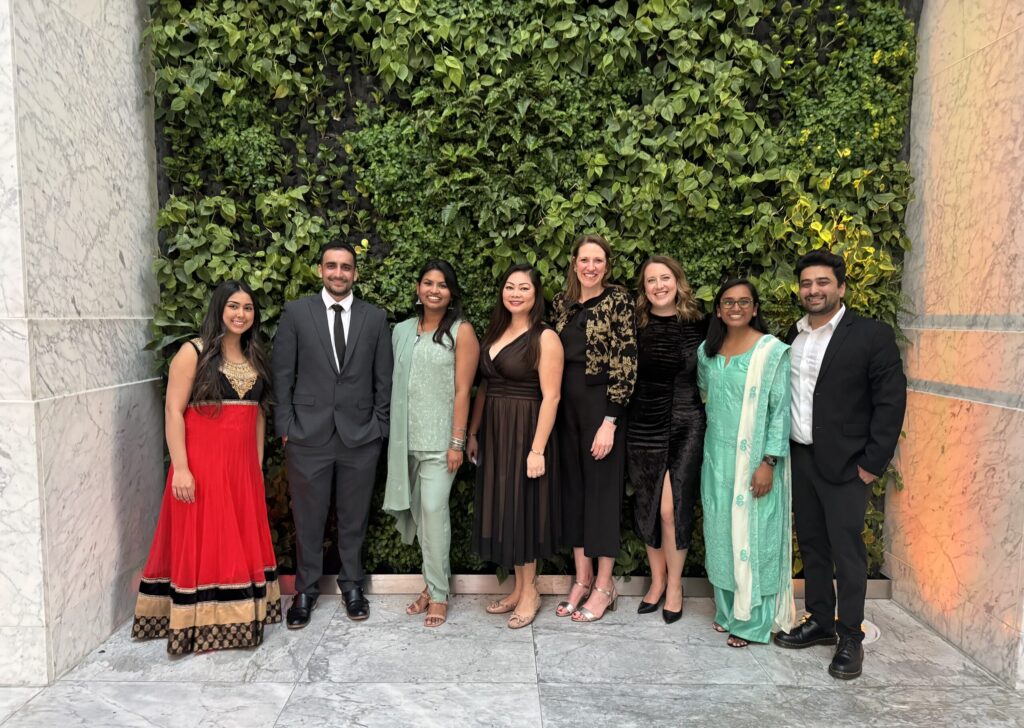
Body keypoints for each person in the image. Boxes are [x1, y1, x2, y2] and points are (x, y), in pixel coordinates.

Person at [773, 249, 907, 680]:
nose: (814, 290)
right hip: (803, 458)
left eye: (822, 282)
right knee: (812, 544)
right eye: (807, 283)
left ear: (841, 287)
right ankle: (819, 622)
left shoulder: (870, 335)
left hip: (849, 466)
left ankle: (850, 635)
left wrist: (872, 464)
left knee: (848, 553)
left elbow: (891, 402)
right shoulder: (790, 337)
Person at [132, 281, 281, 654]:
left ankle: (237, 617)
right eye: (233, 306)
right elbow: (172, 411)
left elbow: (258, 415)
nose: (240, 314)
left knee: (236, 541)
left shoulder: (255, 356)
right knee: (207, 540)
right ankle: (199, 624)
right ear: (219, 308)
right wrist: (180, 468)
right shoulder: (192, 352)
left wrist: (257, 464)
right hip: (201, 466)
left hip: (241, 469)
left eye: (248, 308)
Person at [271, 241, 393, 627]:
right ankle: (305, 592)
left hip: (360, 437)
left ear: (355, 273)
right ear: (320, 270)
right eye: (331, 266)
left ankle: (352, 585)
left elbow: (383, 381)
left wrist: (380, 428)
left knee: (354, 517)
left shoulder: (375, 318)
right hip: (307, 436)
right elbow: (282, 375)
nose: (338, 273)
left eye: (346, 267)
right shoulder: (296, 313)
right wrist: (286, 428)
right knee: (308, 517)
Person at [697, 278, 796, 647]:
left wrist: (769, 461)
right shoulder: (707, 352)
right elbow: (707, 396)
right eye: (728, 302)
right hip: (717, 458)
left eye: (743, 302)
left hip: (755, 459)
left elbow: (779, 412)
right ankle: (727, 611)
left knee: (755, 536)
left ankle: (753, 622)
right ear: (719, 309)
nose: (735, 308)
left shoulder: (772, 353)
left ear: (755, 308)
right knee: (721, 534)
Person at [383, 260, 479, 628]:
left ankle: (438, 595)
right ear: (418, 289)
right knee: (423, 522)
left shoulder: (461, 331)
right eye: (428, 283)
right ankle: (430, 585)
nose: (434, 290)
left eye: (442, 284)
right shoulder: (403, 331)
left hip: (442, 446)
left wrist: (457, 441)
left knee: (435, 513)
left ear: (451, 291)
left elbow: (463, 390)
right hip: (406, 442)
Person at [468, 264, 563, 629]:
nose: (516, 293)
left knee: (524, 508)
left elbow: (552, 397)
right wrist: (474, 432)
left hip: (526, 431)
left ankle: (530, 592)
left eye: (524, 288)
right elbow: (486, 386)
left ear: (536, 295)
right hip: (495, 431)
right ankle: (518, 589)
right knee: (506, 508)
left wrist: (537, 449)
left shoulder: (545, 338)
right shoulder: (495, 331)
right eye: (510, 287)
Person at [552, 234, 637, 623]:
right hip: (564, 409)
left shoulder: (618, 300)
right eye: (584, 259)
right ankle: (581, 578)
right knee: (574, 493)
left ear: (607, 265)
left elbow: (625, 360)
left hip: (601, 406)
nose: (590, 266)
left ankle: (605, 584)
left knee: (602, 494)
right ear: (574, 263)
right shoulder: (562, 305)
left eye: (598, 260)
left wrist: (610, 420)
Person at [626, 256, 708, 624]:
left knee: (671, 508)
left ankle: (675, 585)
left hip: (687, 421)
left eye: (665, 278)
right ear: (644, 288)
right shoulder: (635, 324)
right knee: (647, 504)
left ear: (677, 281)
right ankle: (657, 581)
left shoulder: (699, 323)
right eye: (651, 281)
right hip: (643, 423)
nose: (659, 285)